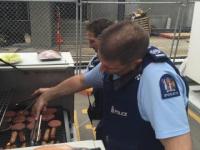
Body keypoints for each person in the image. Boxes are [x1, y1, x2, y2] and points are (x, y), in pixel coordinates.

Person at [32, 21, 192, 150]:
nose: (102, 70)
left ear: (135, 63)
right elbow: (82, 81)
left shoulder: (158, 82)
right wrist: (47, 95)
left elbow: (179, 145)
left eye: (109, 67)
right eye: (102, 62)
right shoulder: (116, 59)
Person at [84, 18, 113, 122]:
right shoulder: (95, 60)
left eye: (92, 41)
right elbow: (82, 81)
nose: (89, 45)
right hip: (100, 112)